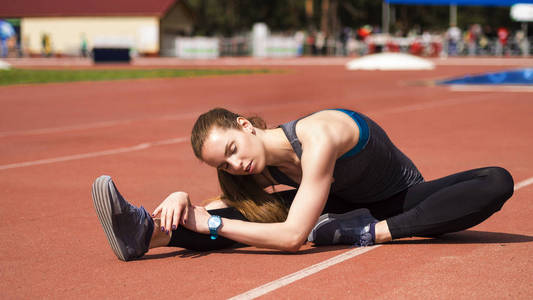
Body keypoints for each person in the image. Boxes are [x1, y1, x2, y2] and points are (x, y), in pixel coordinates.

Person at [92, 108, 514, 261]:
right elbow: (221, 205)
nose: (237, 164)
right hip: (334, 204)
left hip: (401, 202)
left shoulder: (319, 136)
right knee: (226, 217)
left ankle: (372, 232)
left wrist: (213, 225)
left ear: (245, 125)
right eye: (225, 163)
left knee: (496, 180)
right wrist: (181, 199)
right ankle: (144, 233)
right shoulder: (251, 167)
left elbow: (293, 237)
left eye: (234, 149)